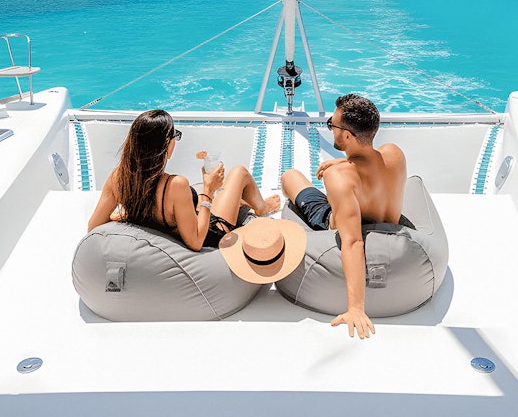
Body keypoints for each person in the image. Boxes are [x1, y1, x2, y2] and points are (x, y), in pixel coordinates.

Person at [280, 94, 407, 339]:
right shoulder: (394, 154)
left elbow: (353, 241)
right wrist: (347, 162)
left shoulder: (339, 177)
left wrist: (356, 309)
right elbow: (369, 165)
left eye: (332, 125)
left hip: (334, 220)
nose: (330, 128)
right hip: (388, 220)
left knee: (290, 177)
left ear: (347, 136)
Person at [87, 109, 281, 251]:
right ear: (164, 145)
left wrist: (126, 216)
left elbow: (93, 227)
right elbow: (196, 242)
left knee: (229, 196)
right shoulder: (175, 185)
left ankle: (244, 203)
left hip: (178, 221)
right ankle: (262, 208)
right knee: (240, 173)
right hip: (211, 233)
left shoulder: (118, 178)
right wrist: (207, 190)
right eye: (174, 136)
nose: (175, 141)